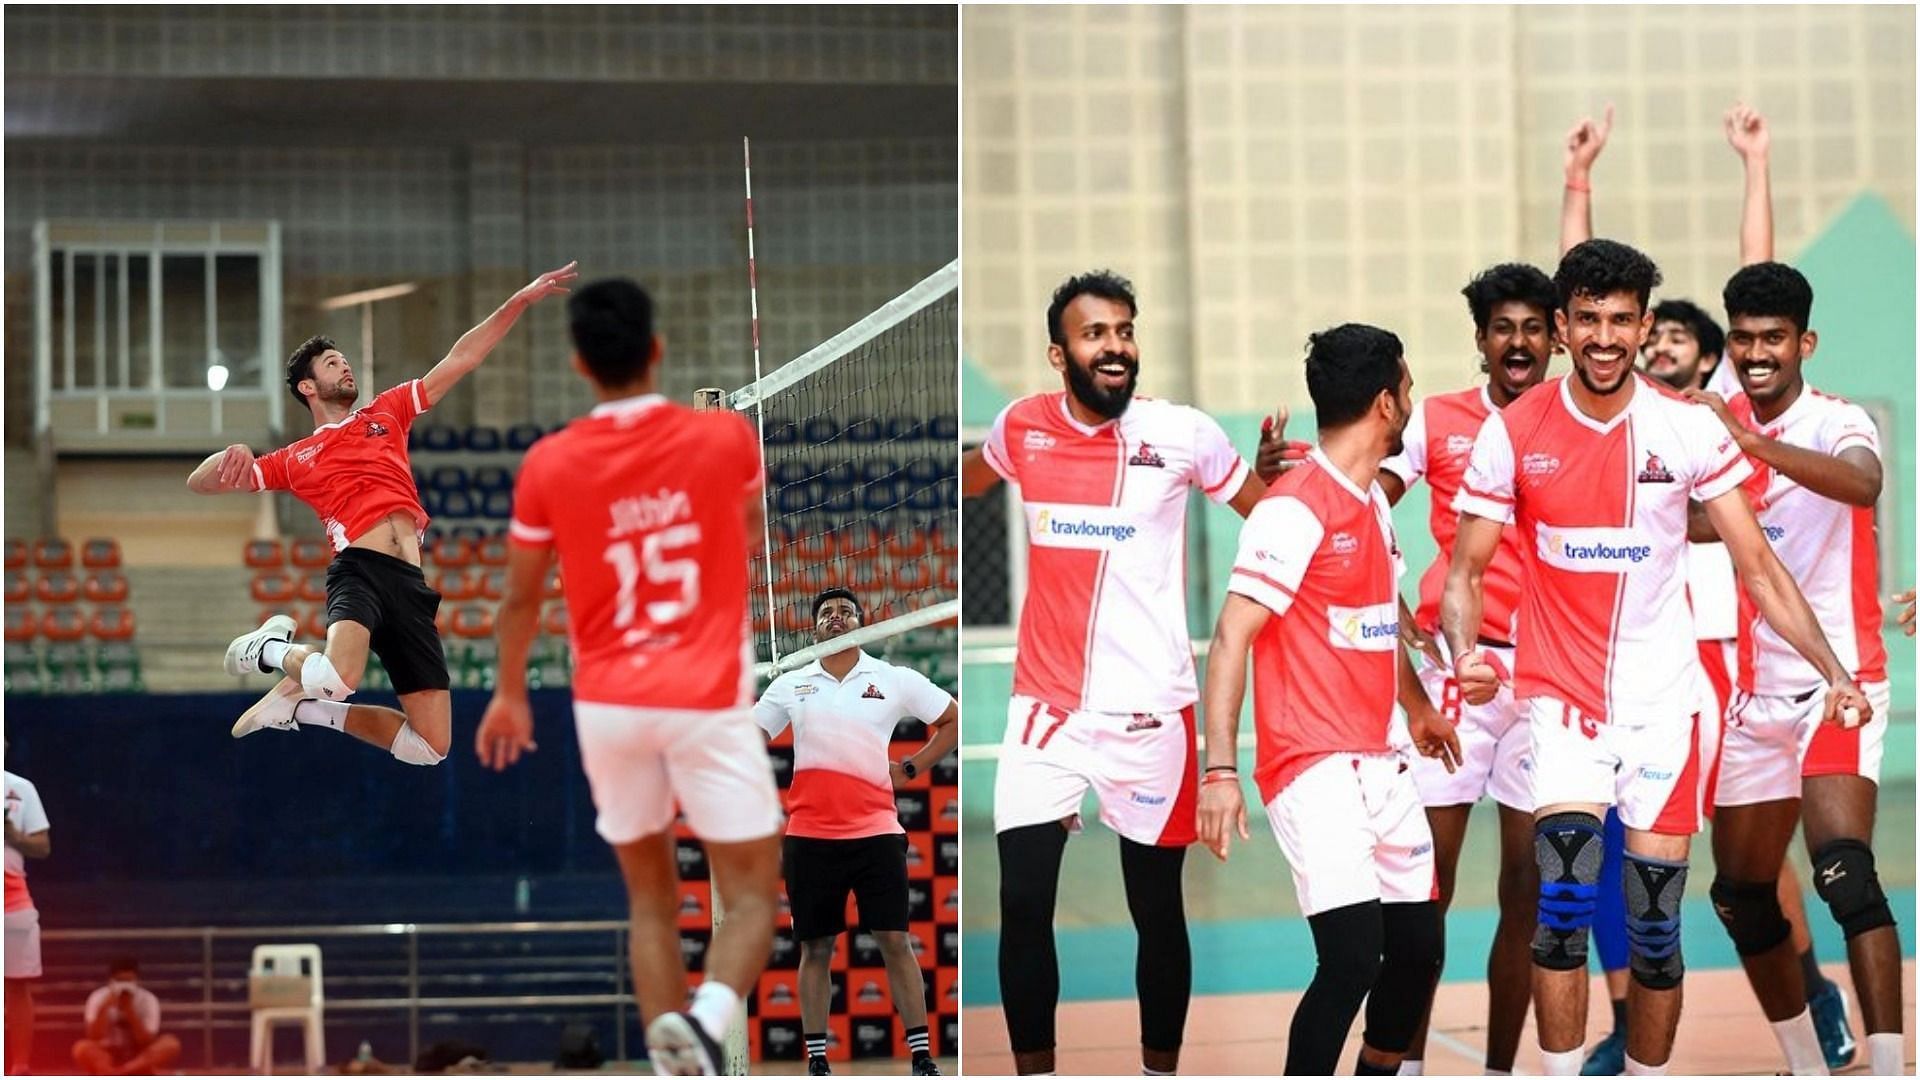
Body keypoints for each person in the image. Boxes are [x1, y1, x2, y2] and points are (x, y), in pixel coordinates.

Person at [1442, 237, 1871, 1077]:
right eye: (1590, 320)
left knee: (1653, 926)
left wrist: (1835, 669)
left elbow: (1758, 565)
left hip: (1663, 713)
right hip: (1560, 706)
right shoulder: (1513, 432)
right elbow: (1465, 571)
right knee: (1561, 906)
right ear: (1563, 327)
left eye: (1623, 321)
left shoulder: (1685, 430)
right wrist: (1463, 650)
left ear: (1644, 327)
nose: (1606, 338)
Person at [1564, 103, 1852, 1073]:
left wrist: (1755, 162)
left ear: (1706, 349)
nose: (1662, 349)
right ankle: (1625, 1022)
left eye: (1685, 337)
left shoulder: (1713, 417)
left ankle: (1815, 997)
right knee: (1610, 857)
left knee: (1746, 858)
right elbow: (1581, 282)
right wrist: (1579, 183)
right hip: (1638, 665)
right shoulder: (1617, 413)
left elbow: (1754, 278)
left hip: (1731, 658)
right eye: (1653, 338)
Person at [959, 270, 1267, 1076]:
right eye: (1096, 334)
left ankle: (1157, 1069)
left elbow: (1271, 519)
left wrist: (1279, 477)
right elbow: (973, 478)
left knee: (1157, 912)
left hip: (1150, 718)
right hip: (1046, 712)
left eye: (1124, 330)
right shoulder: (1021, 426)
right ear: (1058, 353)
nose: (1117, 346)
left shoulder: (1186, 434)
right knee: (1022, 905)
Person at [474, 276, 782, 1076]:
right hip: (705, 695)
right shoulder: (723, 439)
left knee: (651, 901)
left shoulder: (548, 463)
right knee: (751, 896)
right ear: (658, 349)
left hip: (607, 702)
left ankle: (673, 1054)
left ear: (579, 364)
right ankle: (711, 1020)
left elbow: (518, 599)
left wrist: (510, 693)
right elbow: (749, 531)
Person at [187, 262, 578, 764]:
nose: (344, 366)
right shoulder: (296, 457)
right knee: (335, 679)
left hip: (411, 583)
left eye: (345, 360)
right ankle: (269, 648)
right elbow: (199, 484)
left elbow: (462, 358)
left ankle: (301, 710)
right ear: (307, 387)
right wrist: (228, 455)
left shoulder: (386, 412)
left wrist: (518, 301)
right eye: (331, 363)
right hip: (360, 569)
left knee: (430, 747)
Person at [1200, 324, 1458, 1076]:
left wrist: (1417, 706)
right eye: (1408, 389)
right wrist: (1220, 773)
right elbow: (1230, 638)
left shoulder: (1371, 505)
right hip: (1312, 765)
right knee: (1350, 960)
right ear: (1386, 402)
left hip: (1383, 758)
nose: (1411, 401)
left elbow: (1375, 623)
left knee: (1417, 950)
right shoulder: (1295, 508)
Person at [1685, 260, 1902, 1077]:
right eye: (1742, 338)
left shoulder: (1835, 420)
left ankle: (1887, 1066)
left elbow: (1862, 483)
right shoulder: (1714, 423)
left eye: (1772, 338)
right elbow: (1705, 525)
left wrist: (1751, 445)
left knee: (1842, 869)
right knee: (1740, 894)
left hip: (1842, 685)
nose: (1755, 352)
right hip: (1758, 692)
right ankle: (1808, 1065)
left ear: (1804, 342)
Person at [755, 587, 959, 1077]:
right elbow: (751, 737)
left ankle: (922, 1057)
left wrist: (910, 768)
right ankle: (818, 1060)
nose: (836, 617)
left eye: (846, 611)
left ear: (864, 624)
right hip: (810, 836)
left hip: (876, 832)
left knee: (895, 939)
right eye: (826, 613)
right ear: (814, 628)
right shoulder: (791, 683)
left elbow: (952, 719)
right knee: (816, 948)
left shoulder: (892, 678)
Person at [4, 756, 50, 1075]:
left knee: (16, 988)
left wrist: (14, 837)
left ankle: (19, 1066)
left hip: (12, 903)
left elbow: (42, 847)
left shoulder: (20, 788)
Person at [72, 957, 182, 1076]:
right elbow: (93, 1036)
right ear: (111, 981)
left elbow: (146, 1040)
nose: (124, 985)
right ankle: (109, 1071)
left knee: (170, 1044)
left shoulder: (148, 999)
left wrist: (130, 1012)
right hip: (107, 1051)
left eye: (129, 980)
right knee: (81, 1048)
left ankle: (123, 1072)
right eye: (120, 980)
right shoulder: (98, 997)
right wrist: (104, 1008)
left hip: (138, 1054)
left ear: (136, 981)